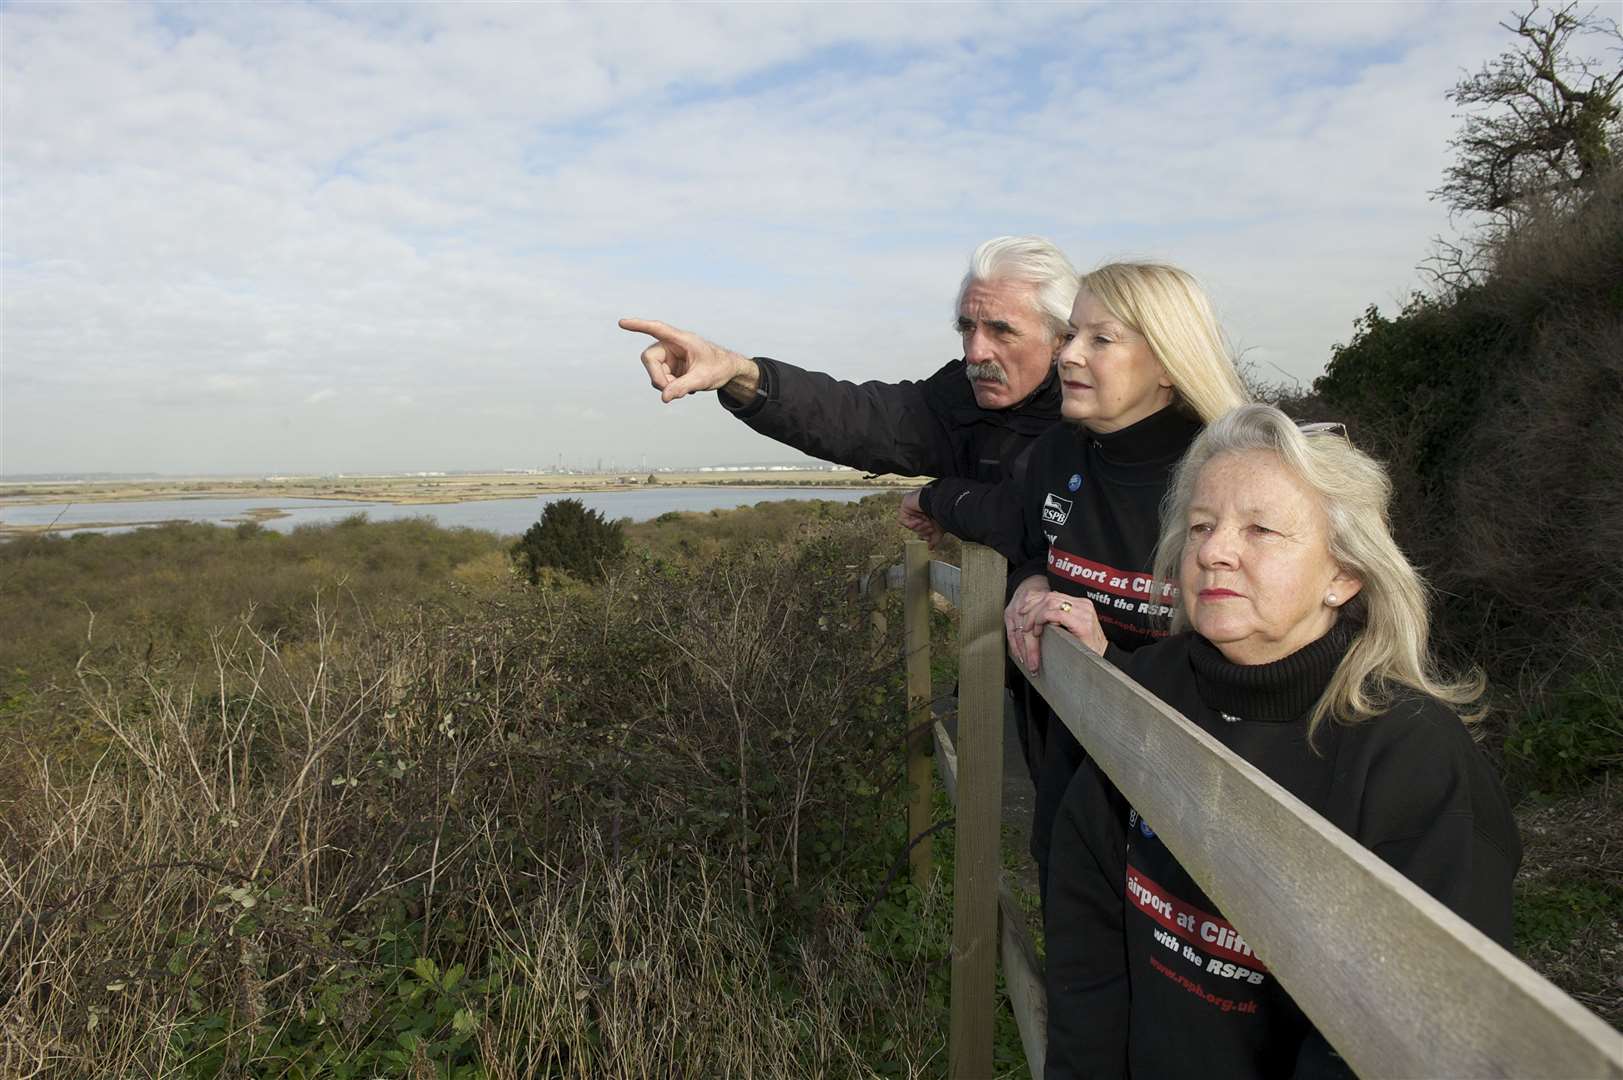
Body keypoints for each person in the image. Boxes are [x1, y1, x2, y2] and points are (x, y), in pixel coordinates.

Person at [1038, 404, 1521, 1079]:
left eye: (1259, 529)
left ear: (1342, 575)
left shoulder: (1412, 761)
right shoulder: (1137, 692)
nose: (1212, 550)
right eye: (1201, 525)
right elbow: (1085, 933)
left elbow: (1423, 1035)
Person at [915, 262, 1249, 892]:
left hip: (1189, 826)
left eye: (1101, 339)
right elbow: (1026, 538)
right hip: (1068, 792)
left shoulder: (1230, 476)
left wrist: (1110, 665)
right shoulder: (1055, 453)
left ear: (1169, 360)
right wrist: (1033, 582)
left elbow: (1261, 667)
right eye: (1070, 336)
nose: (1068, 356)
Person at [620, 237, 1077, 516]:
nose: (976, 352)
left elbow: (1041, 522)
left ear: (1061, 338)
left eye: (1001, 330)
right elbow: (856, 419)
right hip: (1003, 660)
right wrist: (737, 372)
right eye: (967, 328)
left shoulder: (1109, 417)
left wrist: (941, 501)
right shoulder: (958, 398)